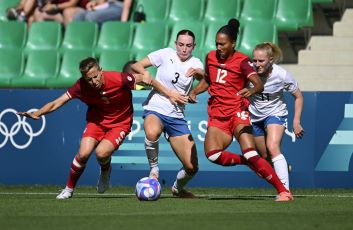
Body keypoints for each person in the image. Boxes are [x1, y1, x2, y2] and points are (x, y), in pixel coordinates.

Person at [17, 57, 152, 199]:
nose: (94, 82)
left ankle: (105, 170)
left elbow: (145, 78)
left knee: (101, 153)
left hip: (120, 123)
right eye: (89, 79)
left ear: (101, 71)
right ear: (83, 78)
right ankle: (68, 189)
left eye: (96, 76)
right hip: (96, 121)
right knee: (83, 154)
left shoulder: (118, 78)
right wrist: (38, 113)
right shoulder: (80, 86)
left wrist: (152, 80)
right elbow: (58, 102)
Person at [189, 19, 293, 201]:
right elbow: (208, 79)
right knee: (212, 155)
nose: (218, 47)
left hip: (238, 112)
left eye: (222, 44)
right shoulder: (211, 57)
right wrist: (195, 91)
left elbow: (259, 84)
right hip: (217, 115)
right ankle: (248, 162)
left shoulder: (243, 61)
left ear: (232, 44)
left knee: (251, 152)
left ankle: (284, 191)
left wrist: (250, 90)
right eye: (217, 43)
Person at [131, 30, 204, 198]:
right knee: (151, 132)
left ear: (194, 46)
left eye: (188, 45)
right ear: (175, 44)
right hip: (156, 106)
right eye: (181, 44)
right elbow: (136, 66)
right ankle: (154, 170)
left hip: (177, 115)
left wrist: (195, 89)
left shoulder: (195, 62)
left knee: (192, 167)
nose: (184, 49)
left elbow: (206, 79)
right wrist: (147, 74)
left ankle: (177, 189)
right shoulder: (165, 54)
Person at [248, 42, 304, 191]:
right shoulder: (248, 73)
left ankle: (285, 191)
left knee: (273, 147)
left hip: (275, 114)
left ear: (271, 60)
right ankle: (284, 167)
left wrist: (296, 121)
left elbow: (298, 97)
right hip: (254, 118)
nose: (257, 64)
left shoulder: (282, 75)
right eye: (254, 60)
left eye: (261, 61)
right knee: (266, 158)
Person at [65, 0, 133, 27]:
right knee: (78, 16)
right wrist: (95, 2)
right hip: (107, 5)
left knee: (91, 17)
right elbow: (102, 1)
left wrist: (123, 24)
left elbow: (127, 6)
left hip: (119, 7)